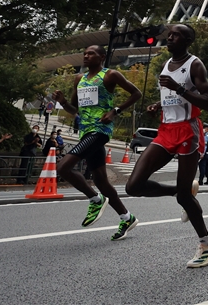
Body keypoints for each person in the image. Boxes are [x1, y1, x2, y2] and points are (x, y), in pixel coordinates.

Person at [125, 25, 208, 267]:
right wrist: (159, 104)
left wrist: (178, 88)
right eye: (170, 34)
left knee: (186, 197)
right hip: (166, 130)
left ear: (187, 40)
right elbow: (172, 97)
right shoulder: (167, 64)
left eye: (176, 35)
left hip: (188, 130)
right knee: (133, 186)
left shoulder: (195, 65)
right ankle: (176, 190)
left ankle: (206, 243)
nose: (170, 37)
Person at [53, 44, 142, 242]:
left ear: (102, 57)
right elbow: (73, 109)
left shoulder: (111, 75)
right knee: (101, 180)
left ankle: (95, 199)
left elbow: (137, 93)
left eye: (91, 53)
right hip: (85, 132)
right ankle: (126, 218)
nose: (86, 56)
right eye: (84, 53)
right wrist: (62, 102)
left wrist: (115, 111)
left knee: (63, 167)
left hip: (100, 130)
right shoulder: (79, 79)